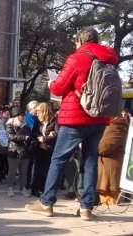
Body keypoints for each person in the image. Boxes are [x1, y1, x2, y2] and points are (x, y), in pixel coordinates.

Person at [25, 27, 118, 221]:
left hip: (75, 117)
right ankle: (86, 208)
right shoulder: (108, 59)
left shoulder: (77, 57)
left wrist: (51, 84)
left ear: (81, 41)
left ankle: (47, 203)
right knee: (91, 160)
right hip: (100, 117)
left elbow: (58, 88)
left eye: (76, 42)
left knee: (58, 159)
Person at [97, 113, 129, 204]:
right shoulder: (114, 124)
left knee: (109, 205)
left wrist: (88, 145)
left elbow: (103, 148)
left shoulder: (116, 126)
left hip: (109, 172)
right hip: (108, 169)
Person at [6, 106, 34, 197]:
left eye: (24, 115)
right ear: (16, 116)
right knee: (12, 171)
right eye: (21, 115)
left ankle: (23, 188)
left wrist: (32, 141)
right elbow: (11, 136)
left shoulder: (26, 126)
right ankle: (10, 188)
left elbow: (31, 136)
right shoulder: (10, 125)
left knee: (24, 172)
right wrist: (24, 138)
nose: (23, 117)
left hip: (25, 151)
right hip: (14, 151)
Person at [30, 102, 57, 197]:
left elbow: (56, 134)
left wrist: (45, 139)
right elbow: (34, 132)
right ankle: (35, 188)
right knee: (38, 168)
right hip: (39, 147)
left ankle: (44, 188)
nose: (36, 112)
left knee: (47, 169)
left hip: (49, 148)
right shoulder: (38, 121)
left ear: (44, 111)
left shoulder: (54, 120)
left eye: (38, 110)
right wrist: (41, 138)